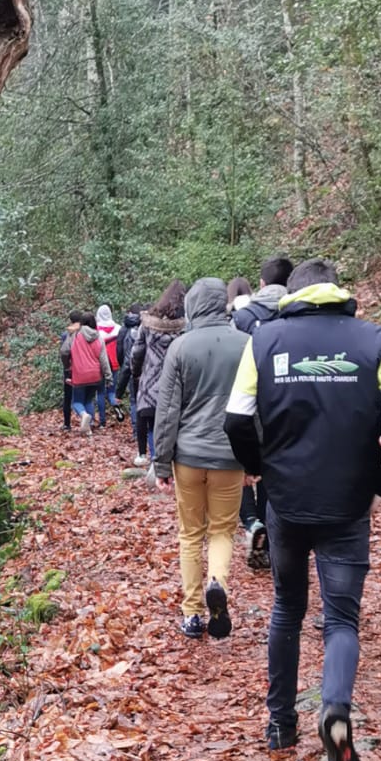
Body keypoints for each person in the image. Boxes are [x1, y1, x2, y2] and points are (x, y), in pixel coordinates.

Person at [225, 258, 381, 761]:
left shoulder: (264, 342)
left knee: (288, 605)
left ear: (293, 294)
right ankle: (334, 706)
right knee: (341, 619)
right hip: (348, 503)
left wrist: (259, 465)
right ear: (338, 292)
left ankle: (280, 725)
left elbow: (236, 418)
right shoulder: (374, 340)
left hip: (286, 500)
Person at [152, 280, 248, 639]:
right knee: (222, 531)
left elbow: (167, 411)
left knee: (190, 535)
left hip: (188, 457)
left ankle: (193, 613)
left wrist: (161, 463)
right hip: (230, 456)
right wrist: (256, 461)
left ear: (193, 305)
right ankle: (216, 582)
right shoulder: (247, 344)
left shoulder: (180, 346)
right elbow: (258, 408)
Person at [233, 258, 293, 568]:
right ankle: (271, 535)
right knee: (272, 476)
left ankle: (252, 522)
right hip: (286, 408)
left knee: (244, 470)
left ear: (262, 284)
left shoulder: (243, 317)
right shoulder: (297, 314)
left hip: (249, 405)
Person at [131, 280, 186, 465]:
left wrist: (137, 373)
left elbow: (136, 353)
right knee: (173, 425)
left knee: (152, 424)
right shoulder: (185, 327)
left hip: (150, 384)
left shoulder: (147, 324)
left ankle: (156, 464)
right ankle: (171, 465)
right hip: (177, 384)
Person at [68, 313, 111, 437]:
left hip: (79, 374)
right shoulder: (98, 337)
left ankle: (84, 415)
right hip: (95, 375)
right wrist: (108, 376)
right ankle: (89, 426)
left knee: (76, 402)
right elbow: (103, 359)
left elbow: (65, 351)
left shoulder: (76, 335)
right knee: (89, 399)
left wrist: (67, 366)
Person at [94, 305, 119, 427]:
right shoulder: (118, 328)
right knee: (112, 391)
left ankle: (102, 422)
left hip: (100, 365)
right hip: (115, 363)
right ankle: (117, 409)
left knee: (100, 393)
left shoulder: (96, 331)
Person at [60, 312, 80, 431]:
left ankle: (67, 423)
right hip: (83, 367)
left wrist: (66, 366)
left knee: (68, 396)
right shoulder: (86, 333)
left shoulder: (65, 335)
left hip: (69, 368)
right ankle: (87, 420)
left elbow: (64, 352)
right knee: (83, 395)